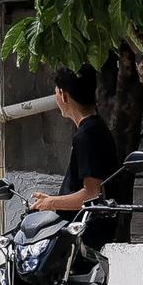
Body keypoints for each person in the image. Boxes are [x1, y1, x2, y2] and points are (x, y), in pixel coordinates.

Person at [29, 72, 132, 218]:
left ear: (64, 96)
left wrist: (52, 202)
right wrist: (53, 201)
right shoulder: (94, 129)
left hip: (87, 233)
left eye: (56, 93)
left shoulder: (87, 135)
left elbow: (92, 194)